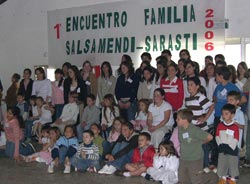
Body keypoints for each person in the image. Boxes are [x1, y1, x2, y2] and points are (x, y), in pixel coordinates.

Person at [176, 109, 214, 184]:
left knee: (196, 180)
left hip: (195, 159)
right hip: (184, 158)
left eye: (178, 119)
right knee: (182, 178)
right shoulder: (180, 128)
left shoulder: (194, 130)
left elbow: (210, 137)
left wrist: (201, 143)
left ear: (185, 120)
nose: (176, 120)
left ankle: (212, 176)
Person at [216, 104, 239, 184]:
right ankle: (223, 178)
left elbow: (236, 138)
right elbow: (217, 136)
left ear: (232, 115)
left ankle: (232, 179)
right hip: (222, 148)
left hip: (231, 149)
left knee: (232, 164)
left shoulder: (235, 126)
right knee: (222, 163)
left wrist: (230, 147)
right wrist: (220, 145)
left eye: (226, 114)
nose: (223, 116)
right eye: (222, 114)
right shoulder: (220, 125)